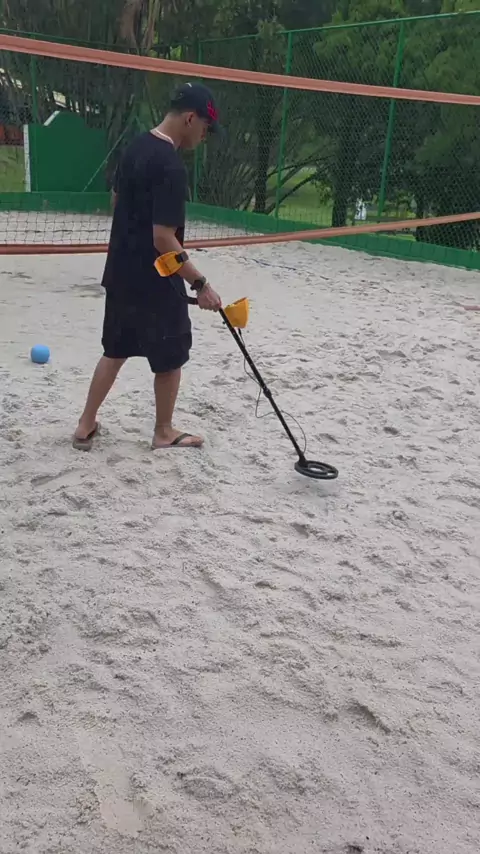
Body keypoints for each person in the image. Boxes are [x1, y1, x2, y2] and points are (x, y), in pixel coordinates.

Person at [72, 82, 222, 452]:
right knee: (171, 355)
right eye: (206, 128)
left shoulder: (134, 148)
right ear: (190, 119)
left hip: (121, 271)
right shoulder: (171, 166)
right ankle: (164, 431)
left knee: (115, 350)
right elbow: (164, 238)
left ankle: (85, 424)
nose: (204, 136)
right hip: (157, 277)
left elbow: (116, 201)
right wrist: (201, 284)